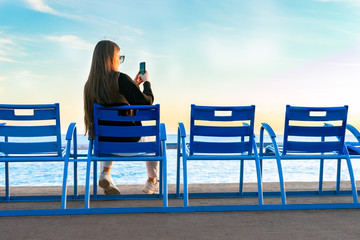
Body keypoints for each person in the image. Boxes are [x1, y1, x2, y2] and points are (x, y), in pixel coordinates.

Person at [83, 40, 159, 195]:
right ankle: (152, 181)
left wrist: (133, 85)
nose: (120, 60)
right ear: (111, 58)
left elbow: (116, 97)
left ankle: (105, 173)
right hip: (131, 145)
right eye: (119, 57)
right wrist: (146, 83)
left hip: (104, 146)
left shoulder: (90, 85)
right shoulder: (121, 79)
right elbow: (147, 102)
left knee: (110, 132)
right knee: (154, 138)